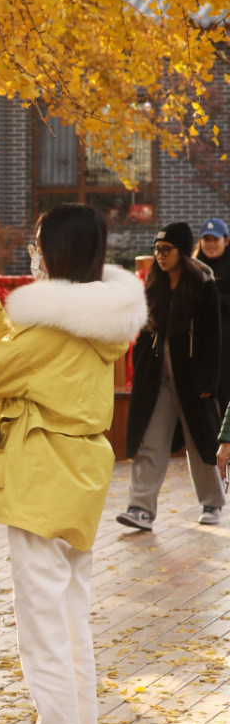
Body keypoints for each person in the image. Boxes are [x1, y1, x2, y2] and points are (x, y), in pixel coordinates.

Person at [0, 203, 146, 724]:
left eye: (37, 244)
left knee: (44, 636)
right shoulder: (96, 320)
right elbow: (28, 362)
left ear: (53, 253)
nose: (31, 253)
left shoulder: (52, 324)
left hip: (41, 478)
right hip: (80, 476)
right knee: (70, 627)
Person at [119, 222, 225, 531]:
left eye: (167, 250)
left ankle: (212, 502)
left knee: (200, 440)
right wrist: (140, 364)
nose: (161, 256)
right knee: (150, 440)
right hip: (157, 377)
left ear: (182, 251)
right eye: (157, 250)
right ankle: (140, 508)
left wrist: (208, 381)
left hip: (192, 379)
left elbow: (212, 338)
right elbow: (144, 328)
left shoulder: (204, 284)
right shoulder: (155, 283)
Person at [195, 217, 230, 414]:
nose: (210, 244)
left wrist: (213, 295)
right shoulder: (194, 267)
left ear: (226, 240)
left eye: (215, 239)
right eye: (206, 239)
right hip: (202, 346)